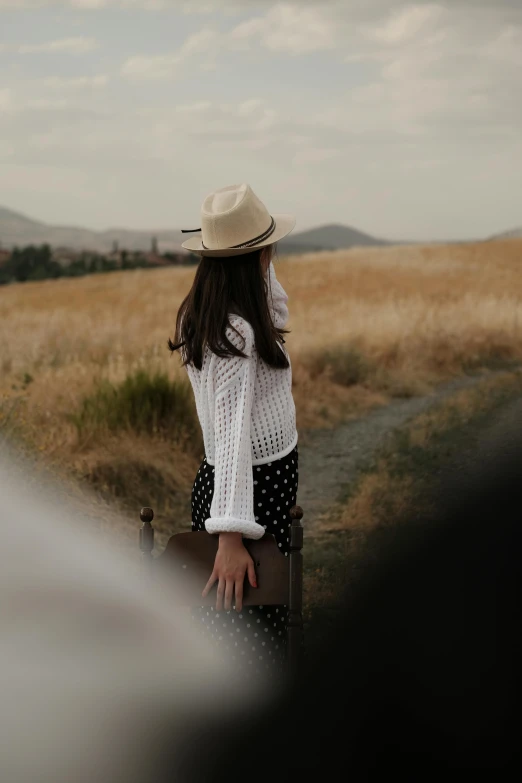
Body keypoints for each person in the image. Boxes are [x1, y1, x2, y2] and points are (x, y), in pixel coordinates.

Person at [168, 183, 299, 677]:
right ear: (254, 257)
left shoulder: (221, 310)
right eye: (269, 248)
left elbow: (278, 309)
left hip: (255, 481)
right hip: (248, 490)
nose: (274, 255)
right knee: (248, 625)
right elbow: (230, 434)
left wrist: (256, 259)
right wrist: (229, 536)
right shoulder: (236, 331)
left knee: (253, 617)